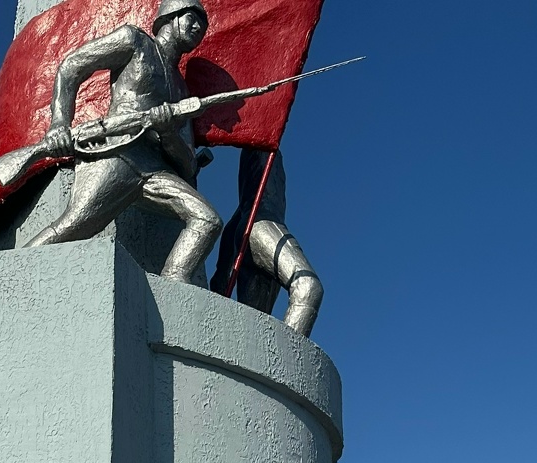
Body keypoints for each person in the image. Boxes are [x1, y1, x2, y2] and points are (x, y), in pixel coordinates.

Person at [28, 0, 223, 284]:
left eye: (202, 26)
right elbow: (72, 65)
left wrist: (168, 132)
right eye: (191, 18)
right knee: (74, 225)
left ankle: (173, 285)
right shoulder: (135, 41)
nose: (198, 28)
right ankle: (12, 272)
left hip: (155, 170)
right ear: (170, 15)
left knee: (207, 220)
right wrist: (59, 124)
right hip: (117, 153)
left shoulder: (181, 90)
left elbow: (188, 164)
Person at [212, 148, 325, 336]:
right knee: (307, 286)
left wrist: (221, 278)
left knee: (256, 328)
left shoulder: (271, 150)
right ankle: (287, 360)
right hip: (260, 226)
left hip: (256, 227)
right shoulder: (260, 144)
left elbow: (235, 223)